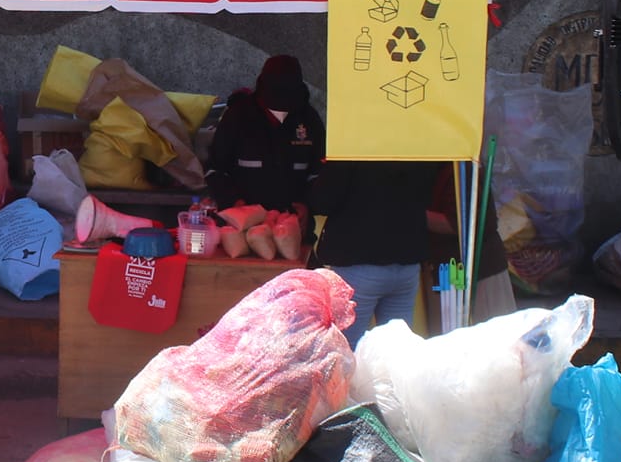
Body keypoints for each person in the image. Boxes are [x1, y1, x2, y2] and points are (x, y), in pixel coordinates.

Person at [309, 158, 514, 345]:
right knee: (397, 352)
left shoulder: (351, 150)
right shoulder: (419, 152)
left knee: (346, 350)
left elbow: (322, 202)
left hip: (359, 263)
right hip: (407, 264)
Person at [204, 54, 324, 213]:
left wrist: (306, 206)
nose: (279, 115)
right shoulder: (238, 116)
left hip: (292, 220)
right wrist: (233, 201)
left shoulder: (309, 119)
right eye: (273, 108)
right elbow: (215, 169)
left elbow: (320, 174)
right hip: (244, 219)